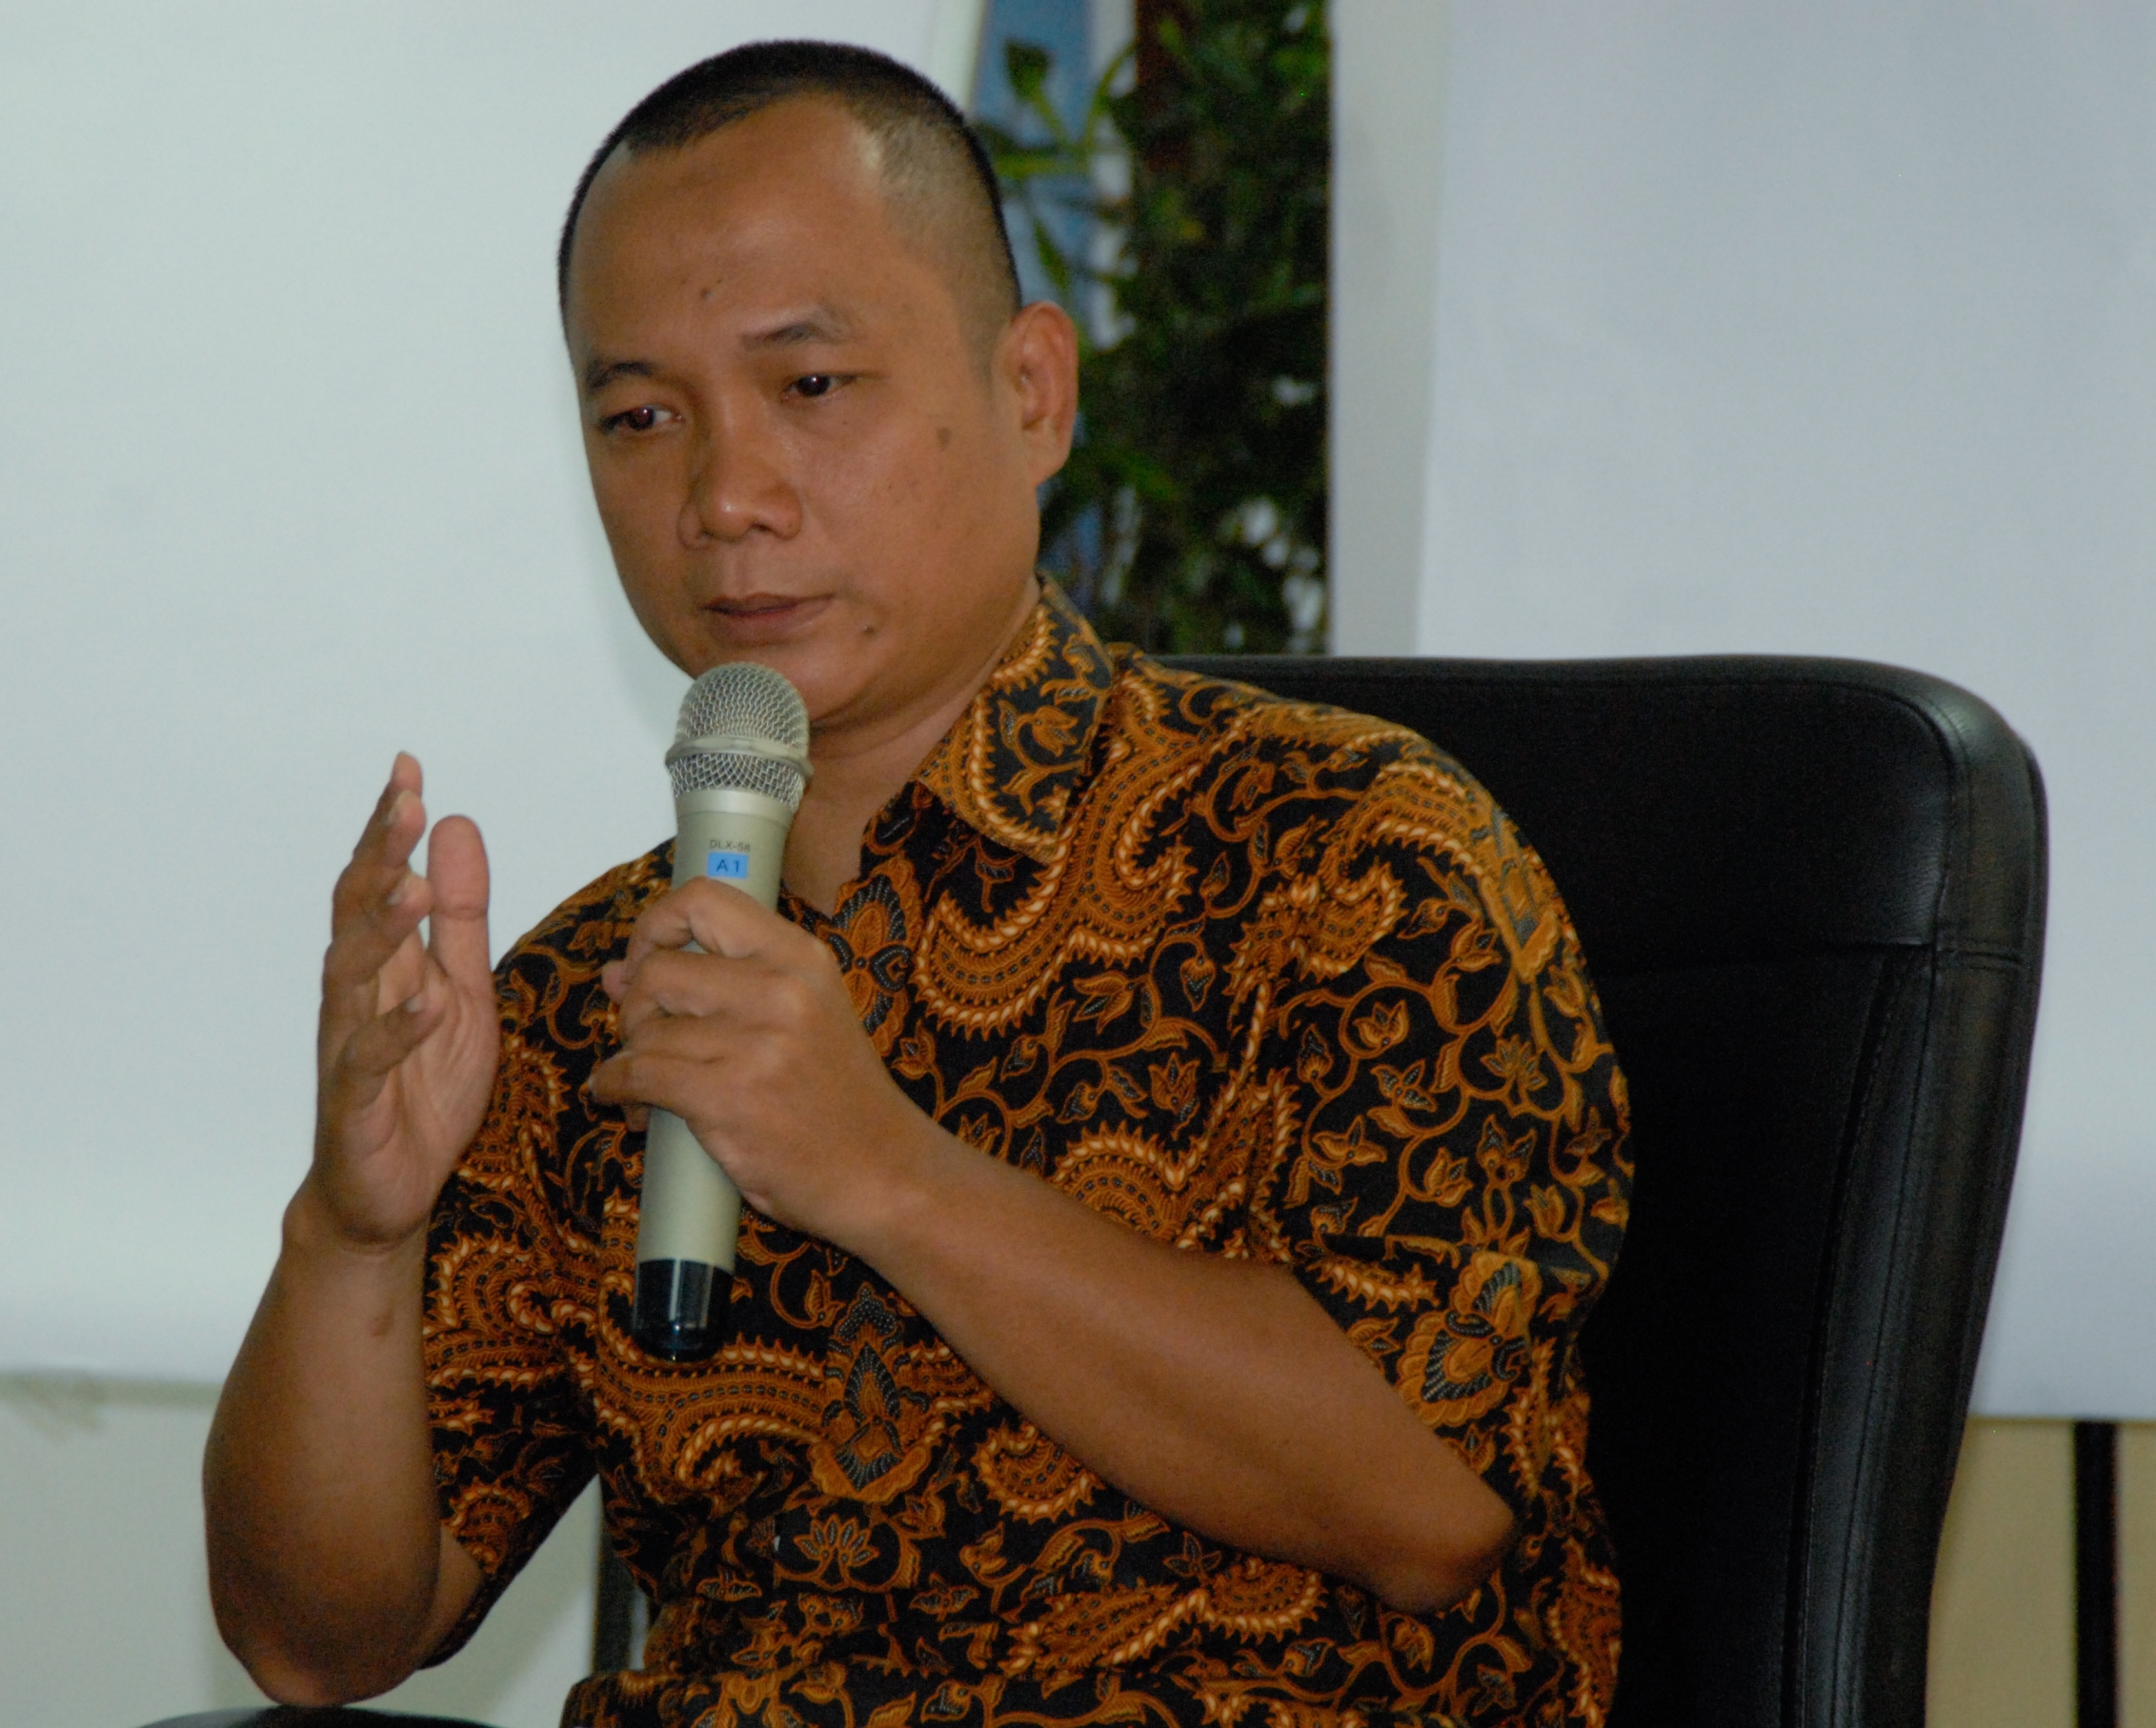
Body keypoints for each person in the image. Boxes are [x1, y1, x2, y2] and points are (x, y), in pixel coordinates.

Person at [205, 40, 1629, 1728]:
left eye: (810, 386)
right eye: (641, 416)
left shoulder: (1351, 854)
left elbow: (1433, 1500)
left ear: (1031, 392)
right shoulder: (606, 988)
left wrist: (877, 1166)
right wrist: (351, 1233)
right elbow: (318, 1640)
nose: (724, 499)